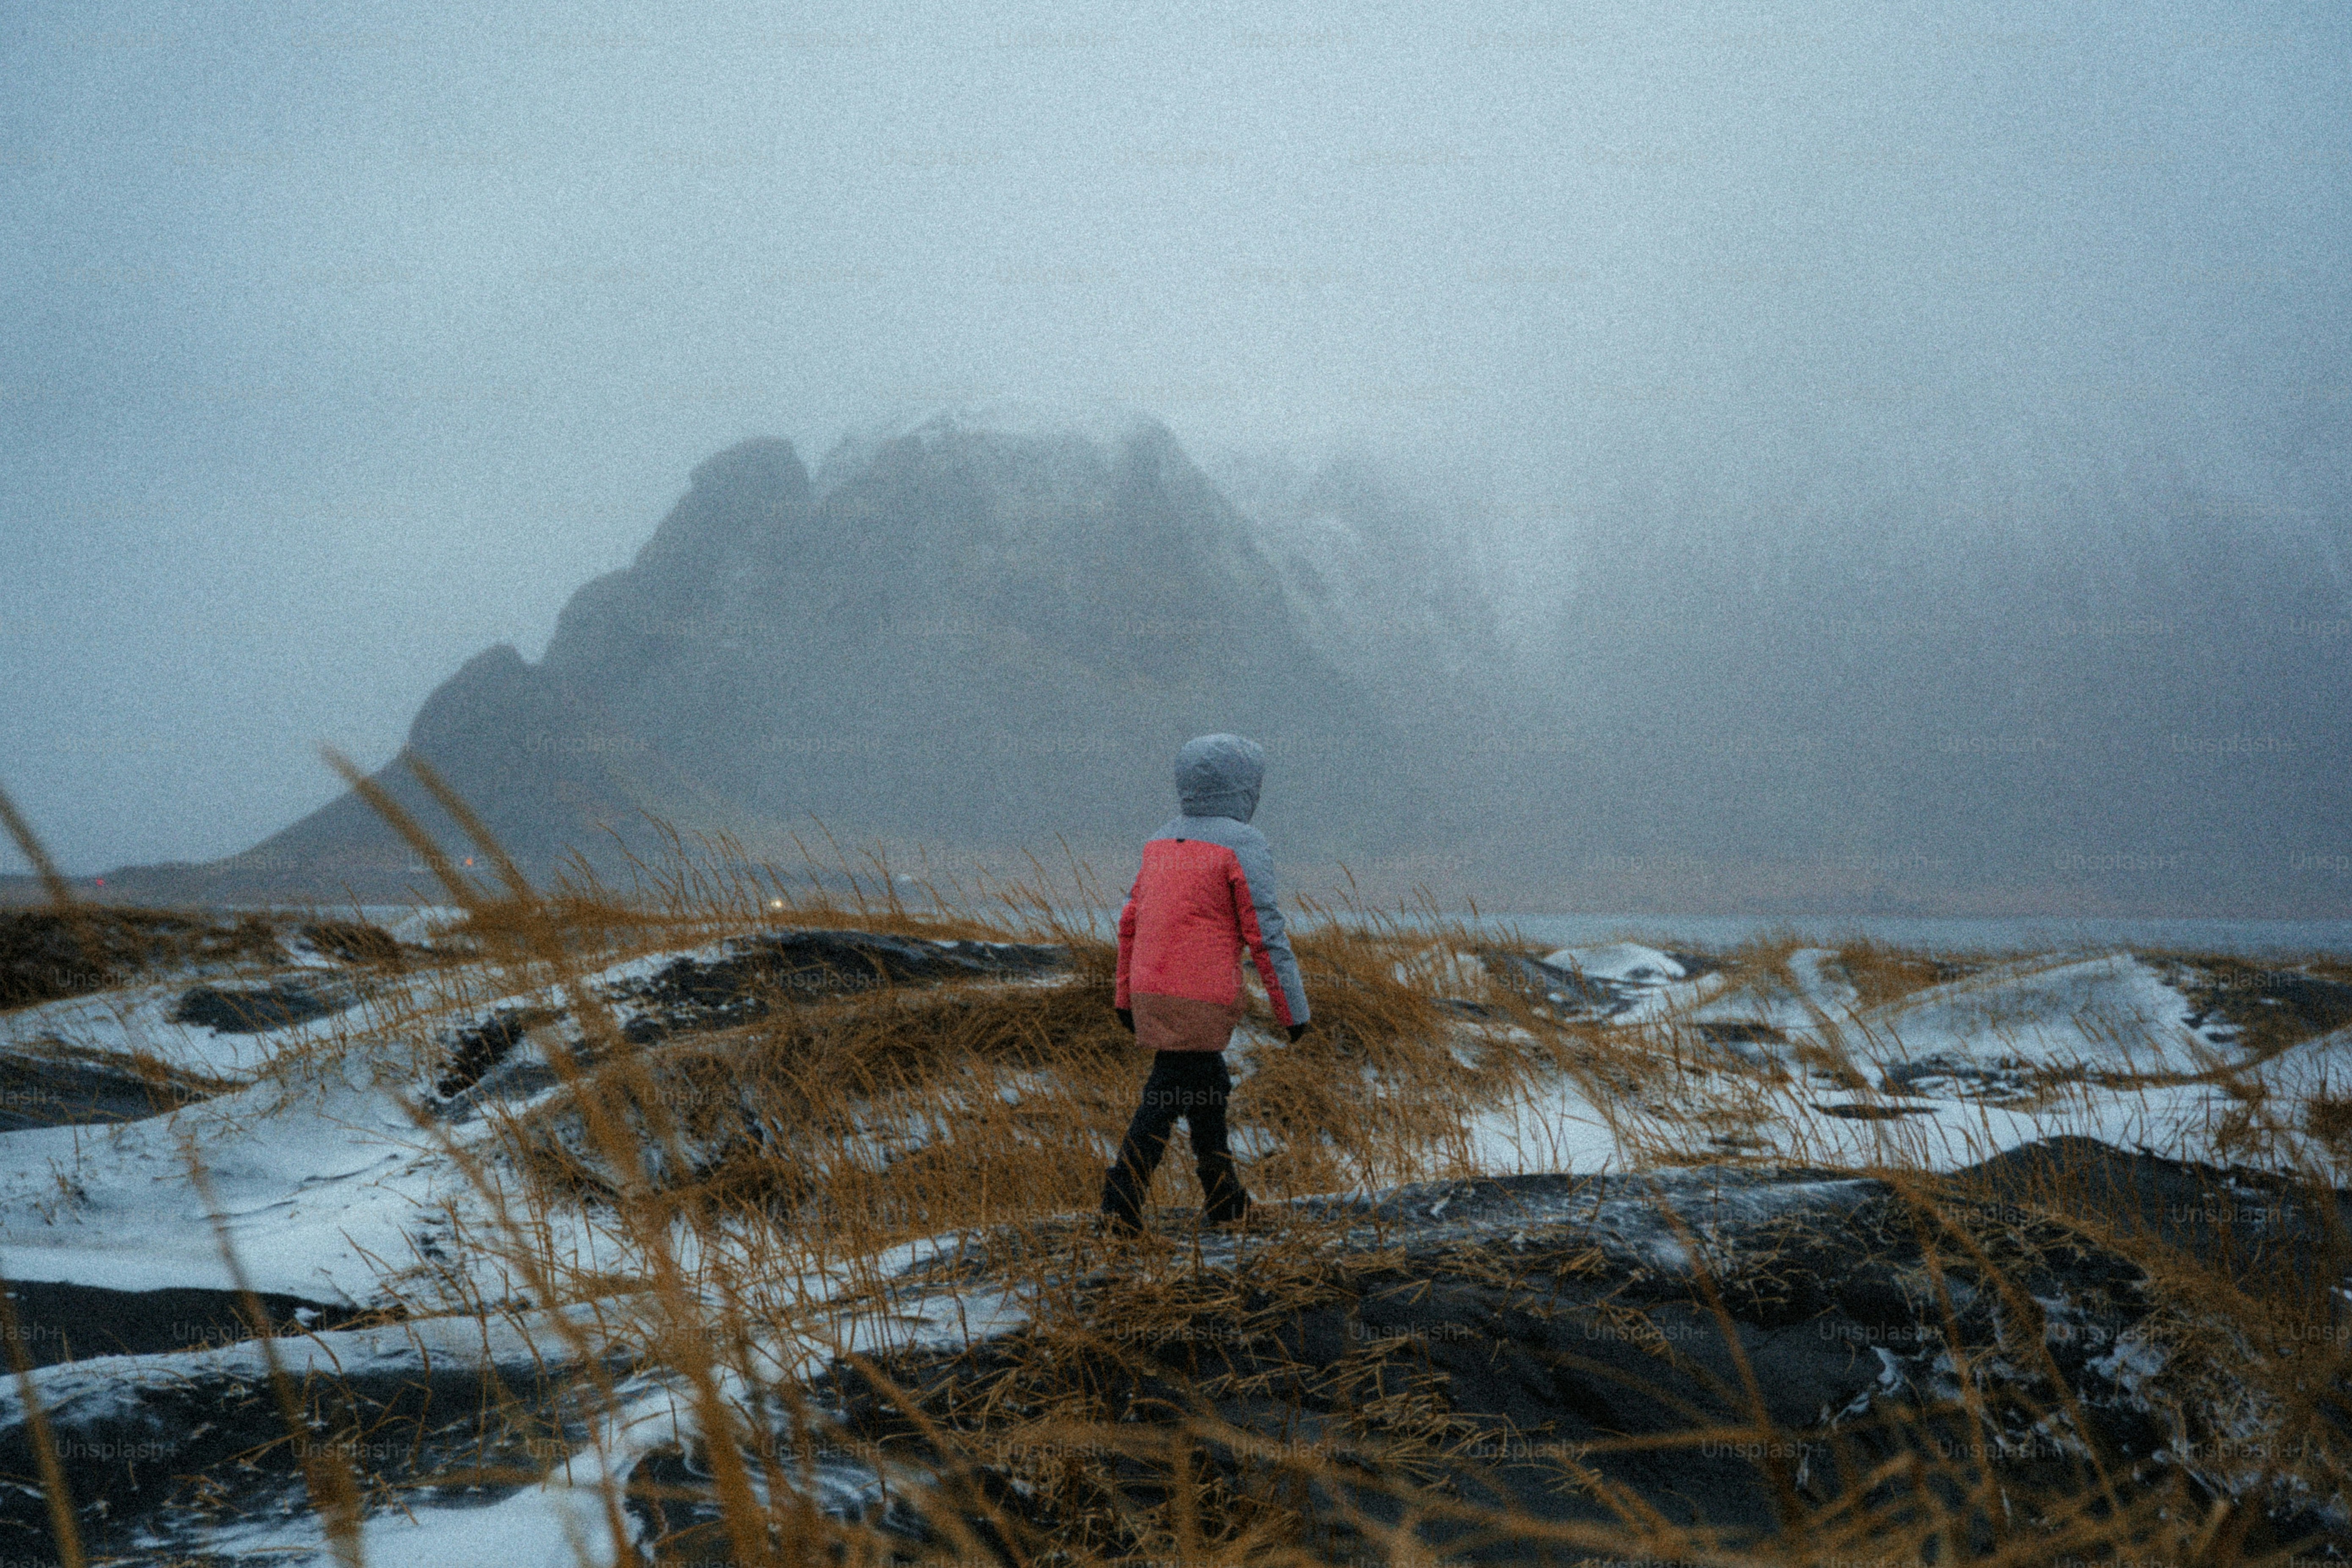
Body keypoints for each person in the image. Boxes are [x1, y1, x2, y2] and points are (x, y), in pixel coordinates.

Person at [1099, 733, 1311, 1236]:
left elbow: (1129, 922)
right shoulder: (1243, 843)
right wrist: (1293, 1011)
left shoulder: (1158, 840)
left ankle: (1226, 1200)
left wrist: (1125, 995)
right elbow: (1265, 932)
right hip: (1201, 997)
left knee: (1208, 1086)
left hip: (1151, 990)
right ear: (1246, 787)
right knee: (1164, 1098)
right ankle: (1118, 1208)